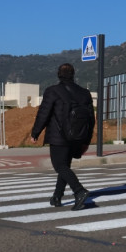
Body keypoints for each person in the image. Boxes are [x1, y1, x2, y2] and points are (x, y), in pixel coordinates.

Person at [30, 63, 91, 211]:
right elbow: (91, 118)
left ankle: (79, 191)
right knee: (65, 166)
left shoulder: (53, 91)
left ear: (59, 75)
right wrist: (86, 139)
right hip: (78, 136)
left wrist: (35, 133)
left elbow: (44, 113)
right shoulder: (84, 93)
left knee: (60, 166)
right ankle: (57, 196)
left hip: (59, 136)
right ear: (73, 74)